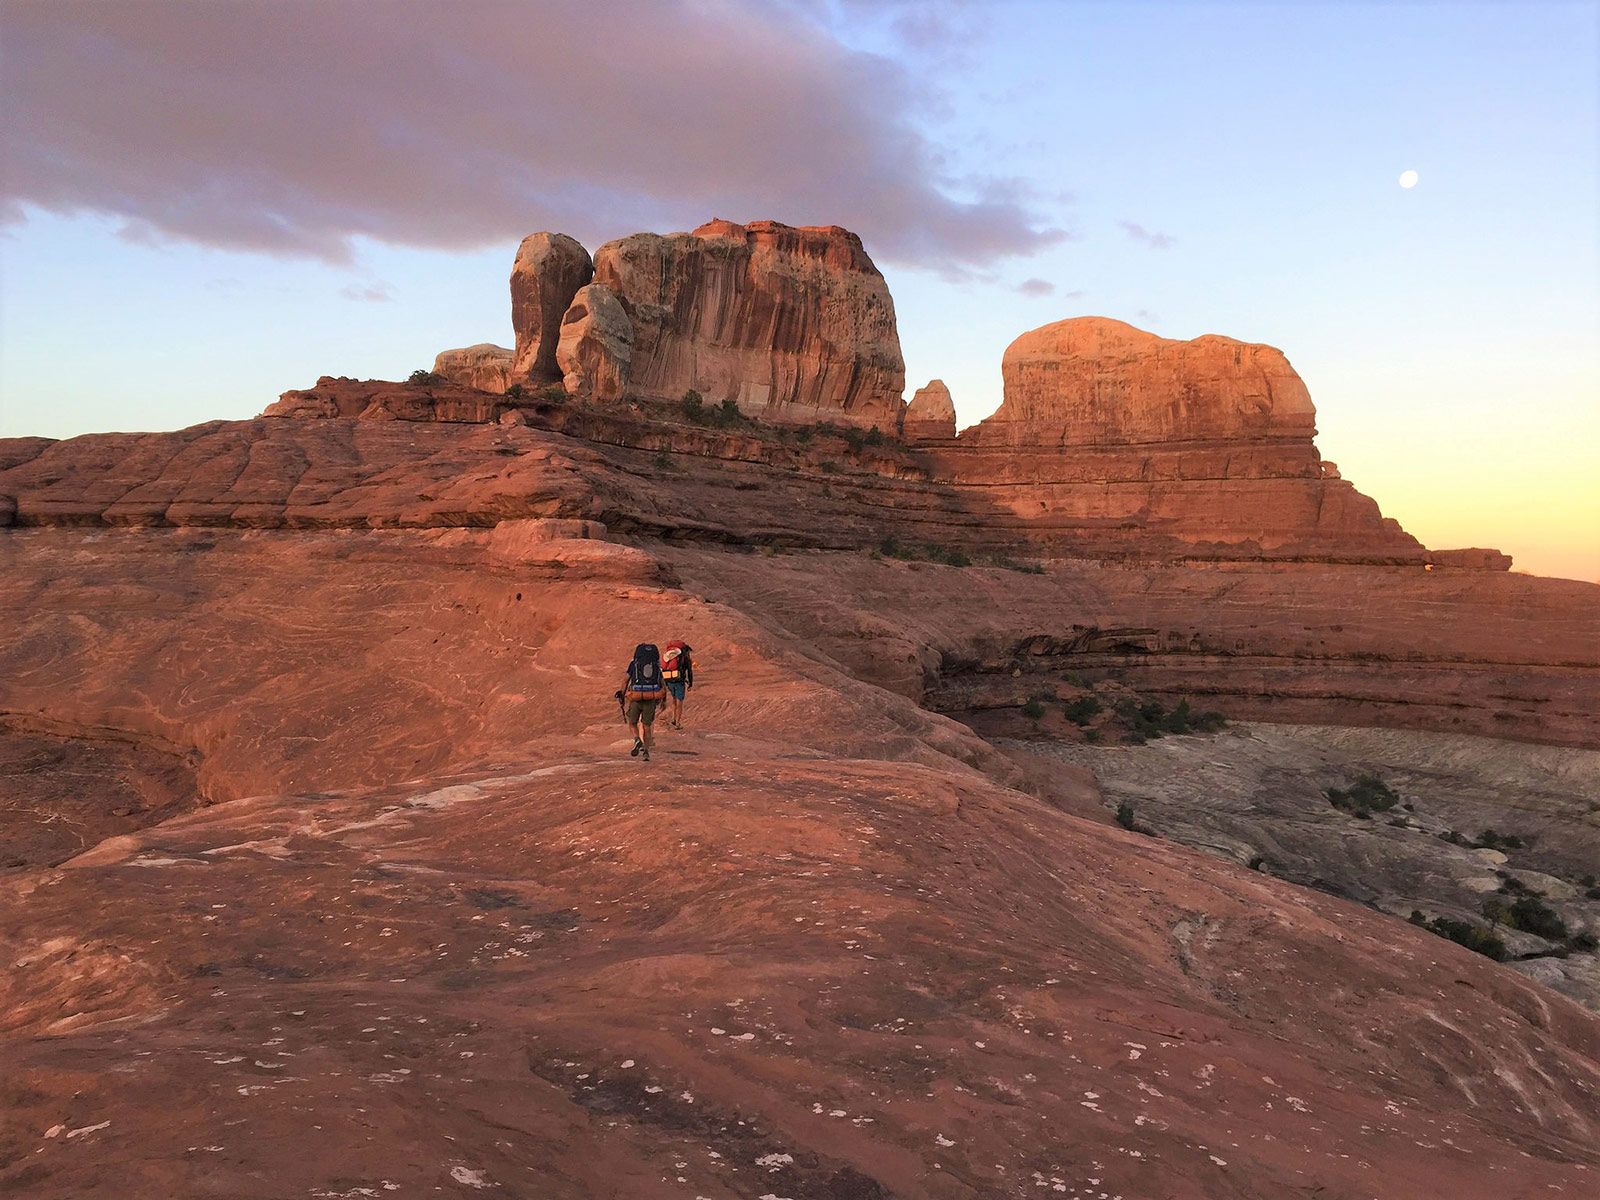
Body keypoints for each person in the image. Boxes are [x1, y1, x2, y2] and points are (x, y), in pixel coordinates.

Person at [620, 643, 666, 761]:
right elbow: (662, 682)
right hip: (650, 698)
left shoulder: (634, 664)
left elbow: (625, 681)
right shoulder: (656, 665)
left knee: (632, 722)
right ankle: (646, 751)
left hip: (636, 697)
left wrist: (622, 694)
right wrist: (663, 699)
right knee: (647, 726)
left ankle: (637, 739)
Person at [661, 639, 694, 729]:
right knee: (679, 701)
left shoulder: (671, 656)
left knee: (674, 699)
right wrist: (690, 683)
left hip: (669, 680)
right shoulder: (685, 659)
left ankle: (673, 719)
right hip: (679, 681)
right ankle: (678, 722)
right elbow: (689, 672)